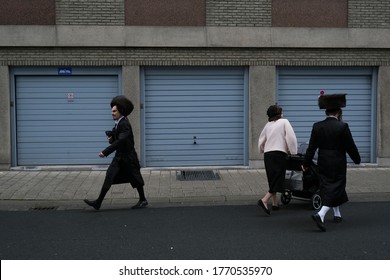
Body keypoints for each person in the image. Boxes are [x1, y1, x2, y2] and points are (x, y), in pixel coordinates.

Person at [302, 94, 361, 232]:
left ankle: (337, 213)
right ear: (339, 112)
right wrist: (357, 159)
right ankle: (320, 214)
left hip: (323, 160)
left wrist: (306, 163)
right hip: (338, 161)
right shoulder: (342, 126)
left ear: (326, 112)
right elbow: (350, 146)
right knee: (337, 186)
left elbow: (311, 148)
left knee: (328, 186)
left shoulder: (317, 126)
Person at [84, 95, 148, 210]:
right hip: (120, 157)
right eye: (111, 111)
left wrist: (105, 152)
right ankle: (98, 203)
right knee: (109, 176)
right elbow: (117, 138)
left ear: (121, 111)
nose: (112, 113)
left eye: (114, 111)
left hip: (128, 158)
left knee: (136, 178)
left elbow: (121, 141)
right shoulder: (119, 122)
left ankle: (143, 200)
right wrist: (111, 138)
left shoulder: (125, 124)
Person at [257, 104, 298, 215]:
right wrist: (293, 152)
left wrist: (262, 150)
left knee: (272, 178)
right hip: (279, 153)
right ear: (279, 114)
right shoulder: (285, 122)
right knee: (278, 178)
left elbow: (261, 141)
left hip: (268, 154)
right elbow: (291, 137)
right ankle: (264, 200)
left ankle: (275, 204)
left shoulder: (267, 125)